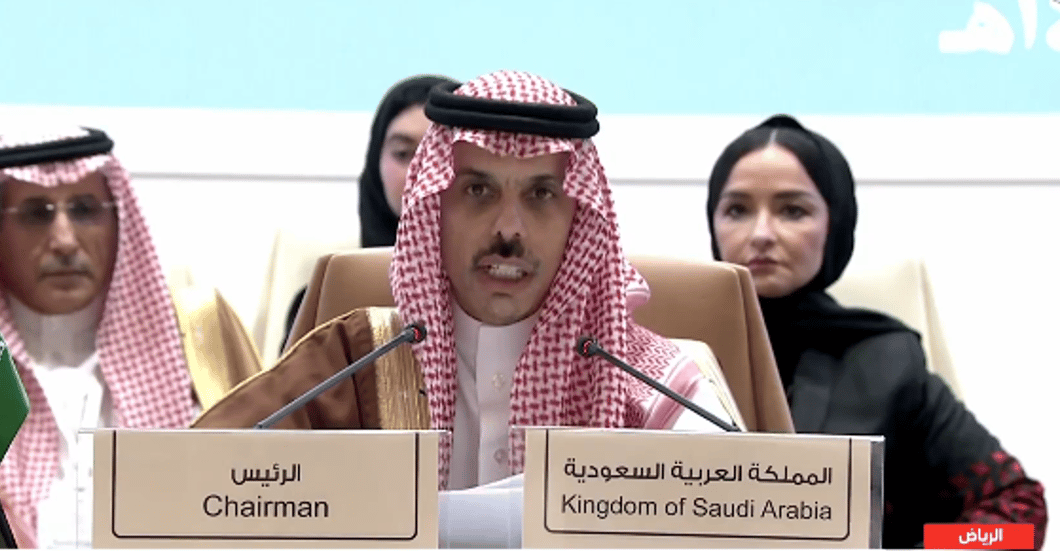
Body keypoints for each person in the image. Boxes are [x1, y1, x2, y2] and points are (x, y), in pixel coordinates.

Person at [195, 70, 739, 491]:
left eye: (541, 194)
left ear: (578, 218)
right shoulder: (354, 364)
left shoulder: (655, 388)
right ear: (435, 208)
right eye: (478, 191)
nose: (509, 229)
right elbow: (190, 482)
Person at [705, 114, 1047, 549]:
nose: (761, 234)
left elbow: (1017, 515)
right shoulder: (667, 355)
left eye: (793, 210)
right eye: (737, 210)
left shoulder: (887, 362)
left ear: (834, 225)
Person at [0, 127, 264, 548]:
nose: (64, 241)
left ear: (118, 220)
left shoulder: (196, 338)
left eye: (85, 210)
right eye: (36, 214)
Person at [281, 74, 460, 347]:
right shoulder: (327, 306)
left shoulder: (507, 296)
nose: (419, 172)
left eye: (438, 154)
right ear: (376, 165)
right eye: (403, 153)